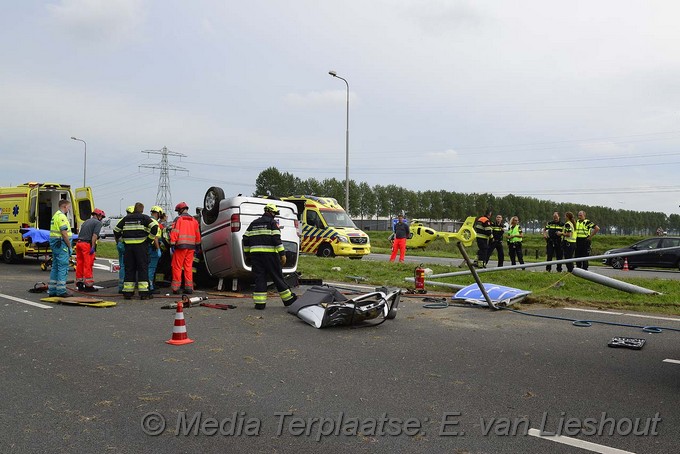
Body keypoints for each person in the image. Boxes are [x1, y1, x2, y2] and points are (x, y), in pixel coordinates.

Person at [242, 203, 297, 310]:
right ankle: (289, 300)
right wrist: (282, 254)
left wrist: (248, 254)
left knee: (260, 278)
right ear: (271, 212)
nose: (275, 216)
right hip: (270, 255)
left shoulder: (254, 223)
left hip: (256, 256)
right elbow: (276, 239)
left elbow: (245, 238)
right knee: (277, 277)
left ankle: (260, 303)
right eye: (275, 213)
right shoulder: (272, 223)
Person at [114, 203, 158, 300]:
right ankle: (143, 293)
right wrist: (149, 240)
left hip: (128, 247)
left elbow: (116, 230)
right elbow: (155, 227)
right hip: (141, 246)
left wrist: (122, 240)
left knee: (129, 269)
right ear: (142, 210)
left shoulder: (126, 219)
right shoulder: (144, 218)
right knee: (142, 268)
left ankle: (128, 292)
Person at [170, 202, 201, 294]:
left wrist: (172, 243)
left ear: (181, 210)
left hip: (180, 246)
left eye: (178, 211)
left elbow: (175, 232)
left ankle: (176, 288)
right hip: (191, 247)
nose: (178, 213)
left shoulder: (178, 219)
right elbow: (197, 234)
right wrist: (198, 245)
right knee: (188, 267)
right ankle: (189, 288)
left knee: (177, 267)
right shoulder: (194, 220)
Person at [75, 208, 105, 292]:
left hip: (79, 243)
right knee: (88, 264)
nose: (102, 219)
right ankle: (88, 285)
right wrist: (92, 247)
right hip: (86, 245)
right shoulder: (98, 223)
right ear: (98, 215)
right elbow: (94, 236)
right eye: (101, 217)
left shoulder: (86, 221)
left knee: (80, 264)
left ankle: (79, 283)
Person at [48, 199, 73, 297]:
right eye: (69, 207)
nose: (69, 209)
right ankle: (61, 291)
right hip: (62, 244)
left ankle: (52, 290)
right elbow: (64, 233)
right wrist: (69, 246)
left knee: (55, 267)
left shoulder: (55, 216)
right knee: (63, 267)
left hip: (55, 245)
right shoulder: (62, 217)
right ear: (65, 206)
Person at [117, 205, 134, 293]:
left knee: (122, 265)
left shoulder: (121, 220)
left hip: (120, 244)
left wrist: (118, 242)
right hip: (126, 245)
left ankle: (120, 286)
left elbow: (116, 231)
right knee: (127, 266)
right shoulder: (130, 221)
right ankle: (125, 286)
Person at [147, 206, 163, 292]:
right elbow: (155, 237)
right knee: (151, 268)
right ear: (158, 213)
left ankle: (148, 285)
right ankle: (150, 287)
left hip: (145, 247)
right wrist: (158, 249)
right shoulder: (155, 223)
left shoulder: (147, 221)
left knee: (146, 267)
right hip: (152, 248)